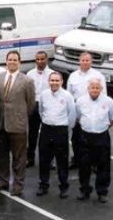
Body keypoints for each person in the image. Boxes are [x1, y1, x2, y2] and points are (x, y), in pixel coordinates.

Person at [0, 50, 36, 195]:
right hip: (0, 123)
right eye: (9, 59)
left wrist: (19, 116)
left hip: (17, 125)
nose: (12, 62)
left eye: (15, 60)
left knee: (19, 157)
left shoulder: (27, 81)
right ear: (6, 61)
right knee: (1, 156)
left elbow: (30, 105)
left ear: (19, 62)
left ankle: (18, 184)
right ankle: (3, 181)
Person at [75, 78, 113, 203]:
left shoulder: (108, 101)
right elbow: (77, 117)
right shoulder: (80, 101)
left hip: (102, 136)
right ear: (88, 89)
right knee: (84, 165)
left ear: (101, 89)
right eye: (92, 87)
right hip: (85, 137)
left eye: (97, 87)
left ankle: (102, 192)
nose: (94, 90)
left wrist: (103, 127)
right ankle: (84, 190)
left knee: (103, 165)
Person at [36, 71, 76, 199]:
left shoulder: (67, 96)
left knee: (62, 160)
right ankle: (43, 185)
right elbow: (41, 111)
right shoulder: (44, 95)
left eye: (57, 80)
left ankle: (63, 187)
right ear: (49, 82)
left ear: (61, 82)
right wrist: (47, 123)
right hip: (46, 129)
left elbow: (72, 115)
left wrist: (65, 128)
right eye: (52, 80)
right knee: (44, 159)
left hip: (61, 130)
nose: (54, 83)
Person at [66, 52, 106, 169]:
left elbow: (103, 95)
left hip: (92, 112)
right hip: (77, 111)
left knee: (92, 139)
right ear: (79, 61)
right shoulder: (73, 76)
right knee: (76, 137)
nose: (85, 62)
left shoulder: (98, 76)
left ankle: (93, 162)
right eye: (83, 60)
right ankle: (77, 160)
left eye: (87, 60)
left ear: (91, 62)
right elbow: (69, 95)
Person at [25, 51, 52, 168]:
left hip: (47, 105)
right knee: (32, 133)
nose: (40, 61)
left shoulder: (52, 74)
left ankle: (48, 160)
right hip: (33, 105)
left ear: (47, 60)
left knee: (48, 135)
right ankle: (30, 158)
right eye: (38, 59)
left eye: (42, 59)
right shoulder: (30, 74)